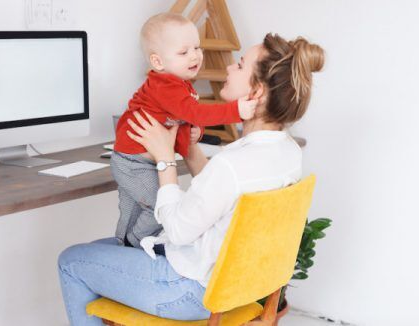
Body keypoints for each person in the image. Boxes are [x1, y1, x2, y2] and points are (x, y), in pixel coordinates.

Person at [58, 33, 325, 325]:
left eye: (240, 65)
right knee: (102, 251)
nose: (228, 69)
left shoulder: (230, 165)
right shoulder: (287, 152)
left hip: (189, 290)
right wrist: (189, 147)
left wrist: (164, 159)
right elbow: (223, 195)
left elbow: (177, 231)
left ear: (257, 93)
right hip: (234, 288)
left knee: (72, 261)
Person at [112, 12, 257, 248]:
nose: (195, 56)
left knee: (131, 209)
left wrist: (196, 131)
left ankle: (125, 243)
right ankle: (136, 241)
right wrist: (236, 111)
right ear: (158, 62)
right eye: (183, 52)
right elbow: (194, 113)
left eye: (197, 48)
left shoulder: (179, 85)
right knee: (157, 206)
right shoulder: (165, 85)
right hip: (133, 163)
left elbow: (184, 118)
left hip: (139, 160)